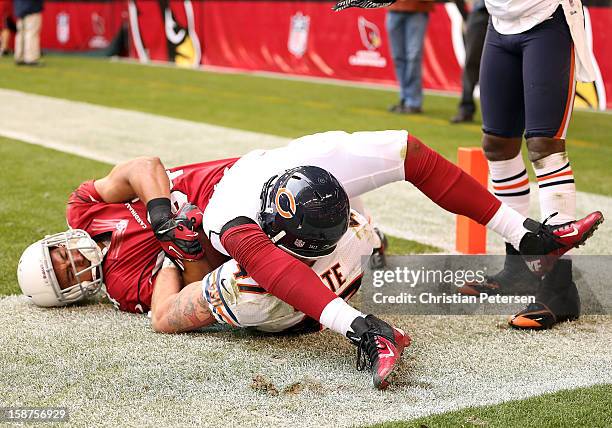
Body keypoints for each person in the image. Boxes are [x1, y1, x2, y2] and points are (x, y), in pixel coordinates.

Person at [18, 130, 603, 389]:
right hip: (234, 228)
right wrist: (179, 247)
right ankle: (360, 304)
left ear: (55, 240)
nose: (73, 262)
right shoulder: (122, 285)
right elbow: (189, 285)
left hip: (251, 176)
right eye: (67, 276)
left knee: (399, 148)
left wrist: (162, 216)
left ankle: (530, 237)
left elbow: (144, 168)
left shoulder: (84, 211)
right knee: (242, 285)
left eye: (58, 258)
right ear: (76, 292)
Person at [460, 0, 598, 330]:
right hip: (499, 21)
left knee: (544, 146)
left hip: (548, 18)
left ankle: (560, 287)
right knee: (497, 145)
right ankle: (519, 265)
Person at [385, 0, 434, 114]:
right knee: (398, 56)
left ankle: (413, 102)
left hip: (418, 8)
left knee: (413, 56)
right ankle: (404, 98)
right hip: (393, 8)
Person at [450, 0, 489, 124]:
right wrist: (466, 17)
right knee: (471, 62)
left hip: (509, 16)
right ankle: (466, 107)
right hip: (481, 13)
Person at [13, 0, 43, 65]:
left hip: (20, 9)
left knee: (20, 34)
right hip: (31, 9)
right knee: (31, 33)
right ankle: (30, 58)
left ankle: (19, 57)